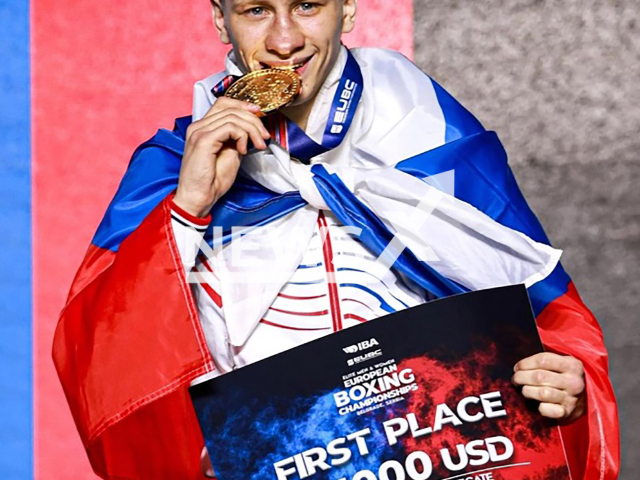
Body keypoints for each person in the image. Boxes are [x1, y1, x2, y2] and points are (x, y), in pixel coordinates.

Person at [52, 1, 619, 479]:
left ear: (347, 7)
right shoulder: (173, 170)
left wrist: (566, 394)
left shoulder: (432, 134)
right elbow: (107, 388)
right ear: (219, 18)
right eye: (255, 9)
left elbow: (554, 329)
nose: (282, 40)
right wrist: (189, 208)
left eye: (307, 4)